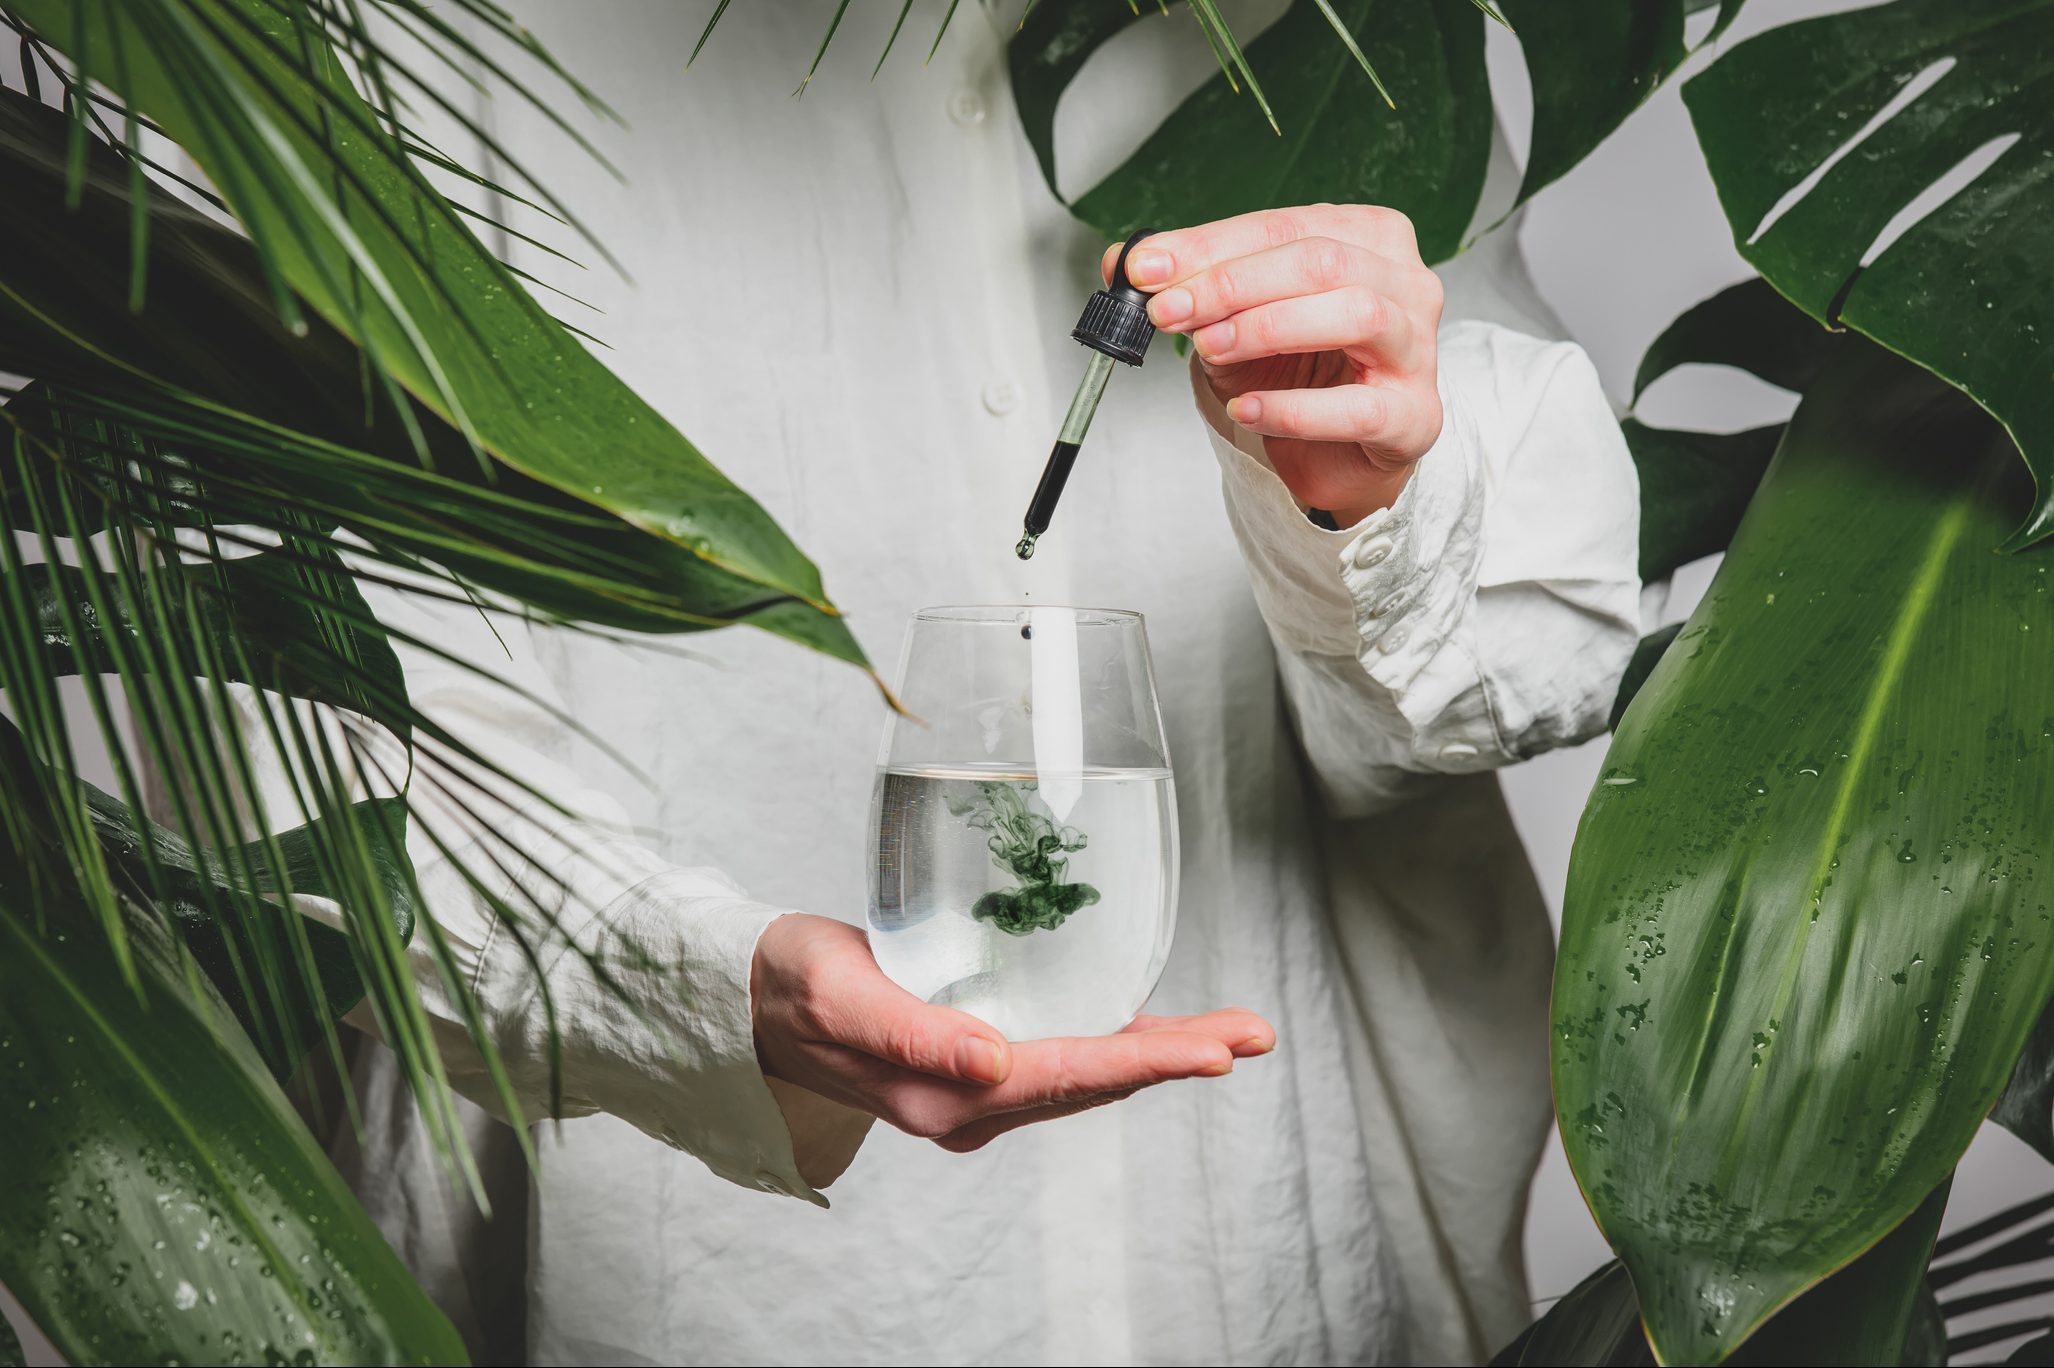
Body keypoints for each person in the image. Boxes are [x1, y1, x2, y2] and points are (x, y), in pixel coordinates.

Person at [300, 4, 1642, 1364]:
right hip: (694, 1278)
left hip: (1278, 1260)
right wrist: (713, 992)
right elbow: (298, 740)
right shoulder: (392, 46)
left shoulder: (1342, 35)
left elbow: (1531, 654)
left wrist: (1369, 515)